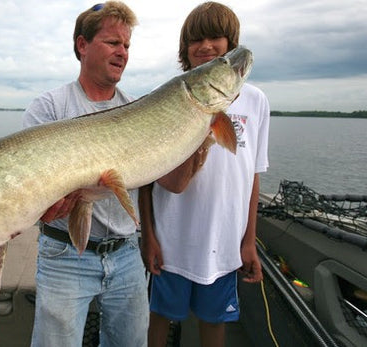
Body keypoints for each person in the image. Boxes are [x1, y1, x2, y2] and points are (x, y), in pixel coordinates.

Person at [140, 2, 270, 347]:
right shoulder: (163, 97)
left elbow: (253, 176)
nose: (205, 46)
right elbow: (146, 177)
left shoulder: (256, 102)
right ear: (185, 49)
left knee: (215, 325)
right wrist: (148, 236)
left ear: (231, 43)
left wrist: (248, 241)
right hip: (171, 243)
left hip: (225, 245)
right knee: (159, 320)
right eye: (195, 40)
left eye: (215, 38)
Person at [22, 2, 148, 347]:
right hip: (64, 255)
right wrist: (47, 204)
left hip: (125, 254)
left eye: (126, 46)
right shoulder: (49, 108)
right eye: (112, 43)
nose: (122, 52)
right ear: (82, 45)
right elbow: (36, 191)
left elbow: (161, 182)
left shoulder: (137, 109)